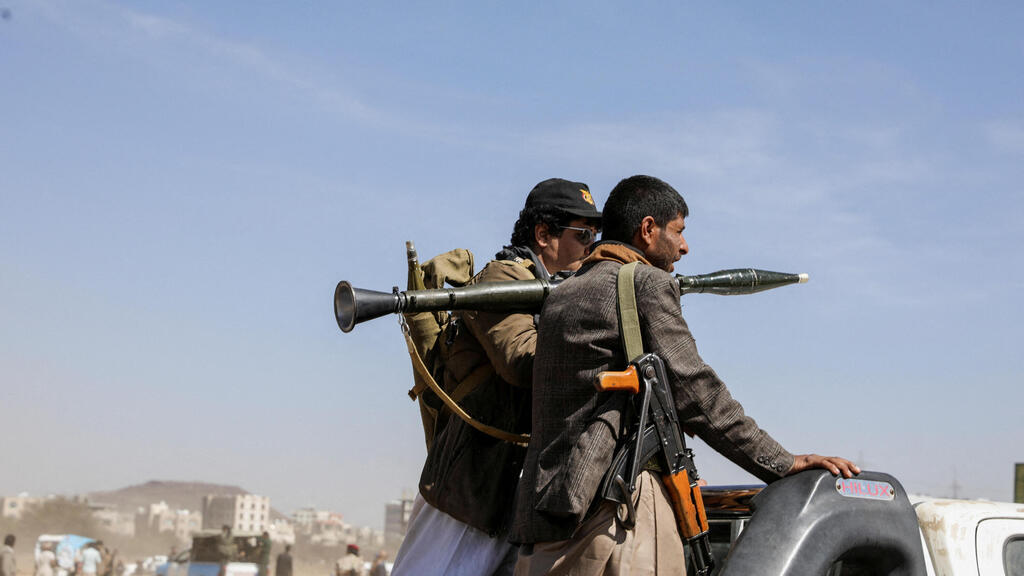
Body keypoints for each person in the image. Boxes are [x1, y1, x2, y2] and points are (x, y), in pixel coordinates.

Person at [510, 175, 860, 575]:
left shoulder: (562, 295)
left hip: (550, 517)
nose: (684, 246)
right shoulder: (646, 284)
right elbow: (698, 393)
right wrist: (783, 463)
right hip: (619, 514)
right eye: (678, 231)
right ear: (647, 229)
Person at [390, 178, 602, 576]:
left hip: (516, 491)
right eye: (583, 234)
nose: (591, 247)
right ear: (544, 234)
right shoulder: (503, 278)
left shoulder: (559, 290)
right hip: (471, 484)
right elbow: (521, 360)